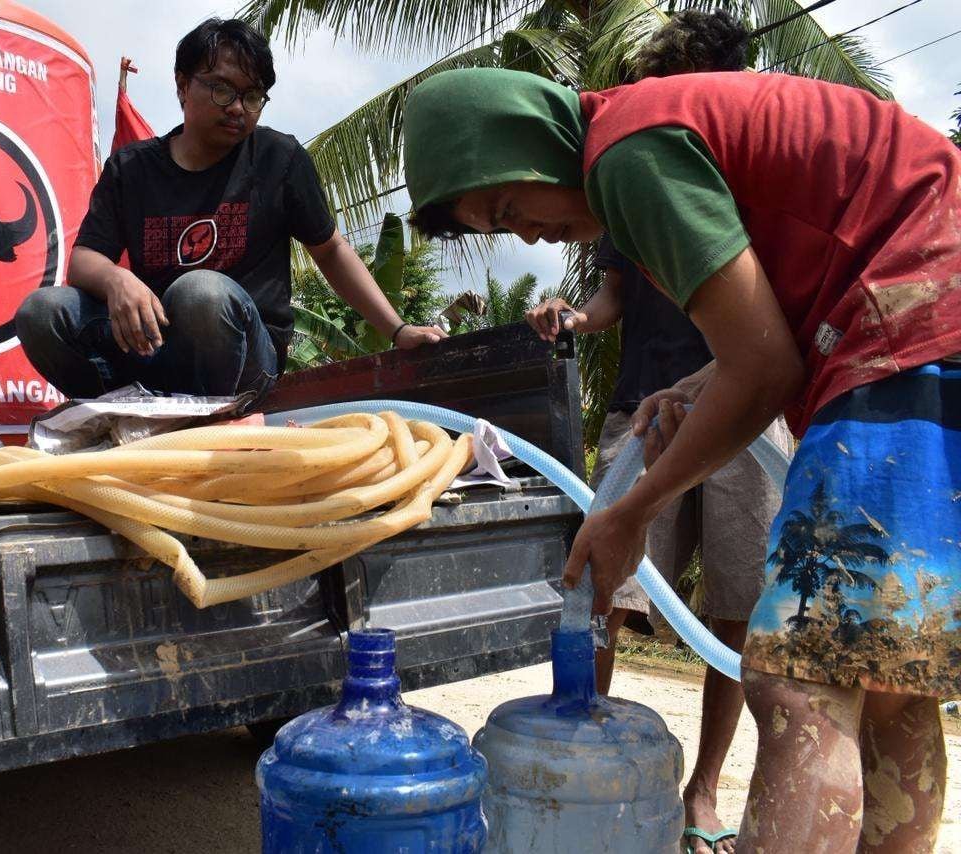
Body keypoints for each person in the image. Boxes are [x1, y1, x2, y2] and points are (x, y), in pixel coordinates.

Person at [401, 64, 960, 852]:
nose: (524, 231)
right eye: (501, 227)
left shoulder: (626, 150)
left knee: (804, 682)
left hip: (907, 322)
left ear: (533, 139)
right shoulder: (654, 131)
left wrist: (632, 510)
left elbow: (766, 369)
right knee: (887, 679)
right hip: (932, 317)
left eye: (507, 203)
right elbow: (780, 323)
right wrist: (704, 378)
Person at [526, 12, 786, 853]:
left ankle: (701, 791)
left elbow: (773, 328)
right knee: (603, 586)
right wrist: (575, 316)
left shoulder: (758, 173)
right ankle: (586, 752)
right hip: (644, 403)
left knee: (737, 609)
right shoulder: (630, 177)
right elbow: (610, 301)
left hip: (748, 408)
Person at [16, 18, 442, 400]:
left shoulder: (279, 159)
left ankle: (210, 425)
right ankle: (116, 412)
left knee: (200, 293)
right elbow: (85, 259)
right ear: (182, 85)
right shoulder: (132, 169)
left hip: (246, 363)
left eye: (253, 95)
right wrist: (115, 279)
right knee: (42, 313)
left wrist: (398, 330)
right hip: (155, 351)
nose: (238, 107)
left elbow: (330, 250)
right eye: (222, 89)